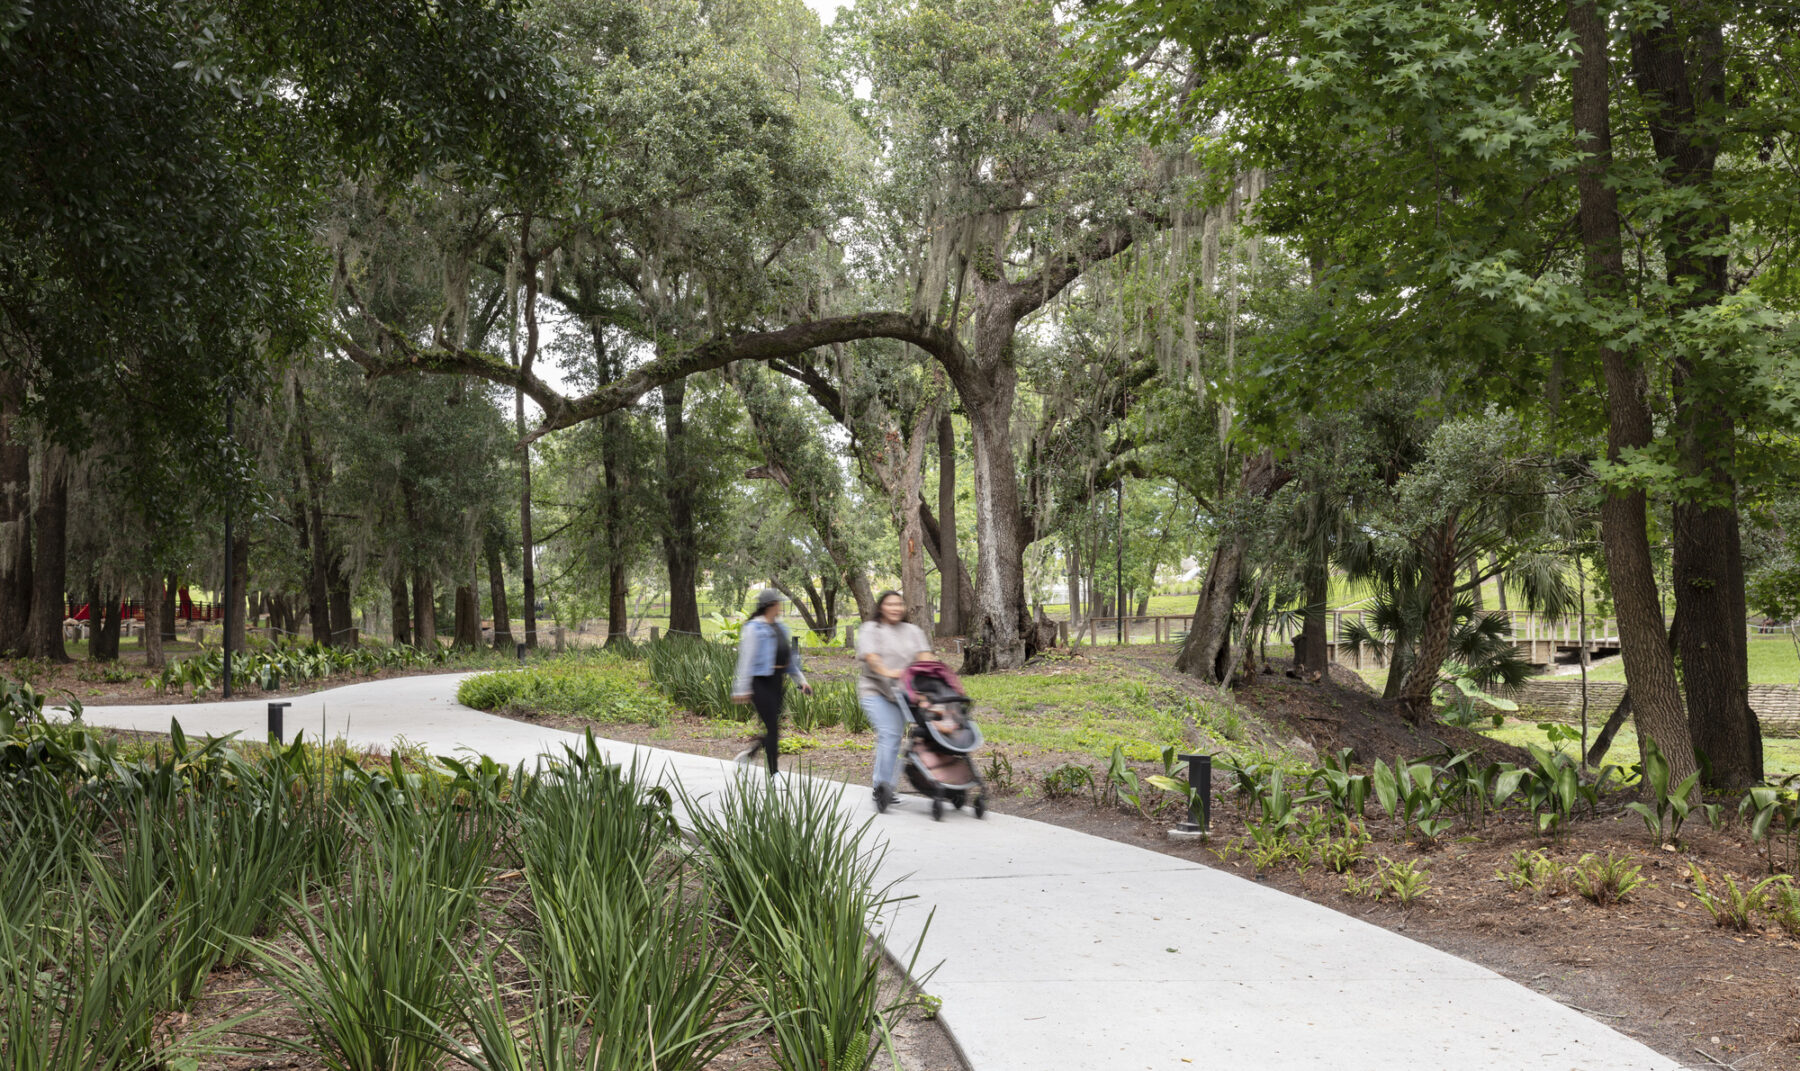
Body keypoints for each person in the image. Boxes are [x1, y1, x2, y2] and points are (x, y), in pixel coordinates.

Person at [856, 590, 936, 812]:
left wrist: (930, 670)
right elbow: (872, 659)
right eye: (890, 604)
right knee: (890, 734)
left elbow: (924, 656)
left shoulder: (913, 631)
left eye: (899, 604)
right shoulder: (870, 629)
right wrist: (889, 672)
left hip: (904, 692)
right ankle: (882, 787)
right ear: (881, 607)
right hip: (875, 690)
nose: (895, 608)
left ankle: (889, 786)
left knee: (908, 739)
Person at [731, 589, 810, 774]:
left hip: (777, 682)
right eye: (778, 603)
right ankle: (773, 774)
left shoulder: (781, 627)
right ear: (770, 605)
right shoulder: (753, 628)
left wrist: (801, 682)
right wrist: (740, 689)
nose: (780, 607)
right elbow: (746, 659)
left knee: (773, 729)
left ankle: (753, 751)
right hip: (760, 683)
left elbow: (788, 659)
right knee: (774, 729)